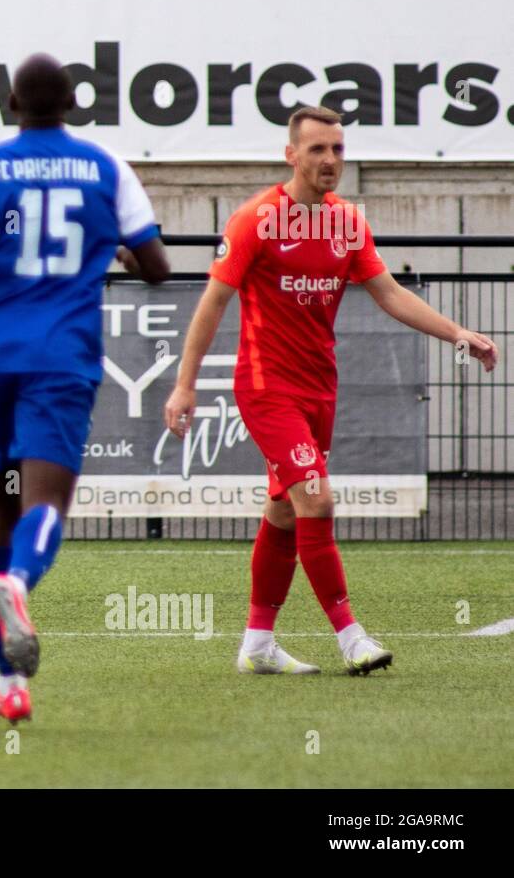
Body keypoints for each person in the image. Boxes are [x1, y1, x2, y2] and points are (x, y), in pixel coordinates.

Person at [164, 105, 498, 675]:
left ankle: (257, 645)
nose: (331, 160)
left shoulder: (347, 222)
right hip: (267, 388)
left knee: (286, 512)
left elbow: (389, 293)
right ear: (291, 155)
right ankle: (351, 638)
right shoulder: (255, 220)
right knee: (316, 499)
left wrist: (457, 333)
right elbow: (213, 302)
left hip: (320, 389)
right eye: (318, 149)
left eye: (338, 149)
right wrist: (184, 385)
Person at [0, 53, 170, 722]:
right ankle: (18, 582)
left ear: (10, 102)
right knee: (45, 502)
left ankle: (9, 686)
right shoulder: (108, 168)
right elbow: (159, 268)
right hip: (61, 358)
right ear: (74, 102)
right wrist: (113, 247)